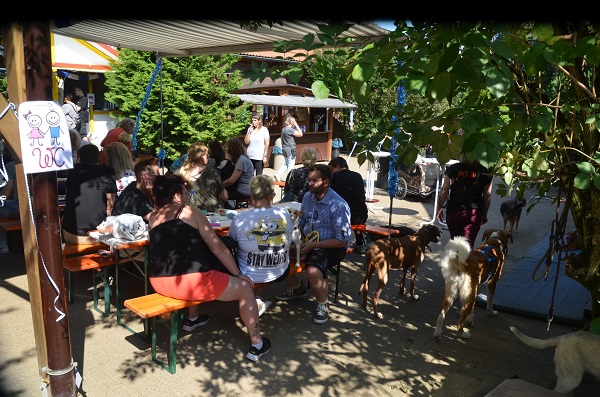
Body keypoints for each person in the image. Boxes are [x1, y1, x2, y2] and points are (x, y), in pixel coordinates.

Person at [148, 174, 271, 361]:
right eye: (185, 192)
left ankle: (193, 319)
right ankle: (257, 344)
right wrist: (239, 274)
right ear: (176, 196)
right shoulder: (189, 211)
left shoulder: (153, 218)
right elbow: (218, 247)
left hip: (159, 281)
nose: (188, 195)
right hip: (190, 282)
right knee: (245, 289)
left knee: (195, 264)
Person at [275, 164, 351, 324]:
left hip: (331, 246)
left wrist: (312, 246)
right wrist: (298, 239)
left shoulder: (339, 205)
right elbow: (302, 222)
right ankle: (298, 288)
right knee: (276, 254)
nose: (309, 184)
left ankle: (323, 304)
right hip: (309, 241)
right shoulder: (308, 197)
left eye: (314, 181)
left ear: (326, 182)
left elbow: (342, 240)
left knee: (313, 270)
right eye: (309, 180)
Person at [227, 174, 293, 316]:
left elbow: (230, 242)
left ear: (251, 195)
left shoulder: (240, 218)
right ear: (271, 194)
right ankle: (257, 297)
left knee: (229, 254)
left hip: (249, 274)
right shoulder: (284, 214)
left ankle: (255, 298)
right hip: (280, 270)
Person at [61, 144, 117, 245]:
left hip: (71, 234)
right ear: (98, 157)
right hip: (99, 234)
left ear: (79, 157)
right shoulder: (107, 171)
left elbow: (67, 194)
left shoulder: (73, 171)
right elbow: (111, 203)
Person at [436, 152, 493, 248]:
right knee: (467, 248)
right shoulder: (485, 171)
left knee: (455, 245)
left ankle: (454, 262)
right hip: (473, 213)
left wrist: (439, 208)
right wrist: (484, 213)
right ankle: (464, 262)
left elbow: (444, 191)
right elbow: (487, 195)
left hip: (453, 212)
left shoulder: (453, 169)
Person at [328, 156, 369, 253]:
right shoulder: (358, 176)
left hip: (343, 217)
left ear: (337, 166)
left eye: (331, 169)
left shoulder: (334, 177)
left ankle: (338, 243)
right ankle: (359, 243)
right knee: (355, 212)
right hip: (360, 216)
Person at [176, 142, 228, 212]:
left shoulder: (180, 173)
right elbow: (225, 197)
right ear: (202, 156)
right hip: (215, 212)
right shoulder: (211, 171)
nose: (208, 156)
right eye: (207, 154)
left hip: (193, 214)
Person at [112, 157, 159, 222]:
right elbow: (155, 220)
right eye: (156, 176)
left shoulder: (142, 190)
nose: (159, 179)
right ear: (145, 177)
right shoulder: (133, 197)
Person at [223, 137, 254, 205]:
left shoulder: (241, 160)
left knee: (221, 195)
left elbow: (232, 181)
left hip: (244, 191)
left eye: (228, 148)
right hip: (243, 188)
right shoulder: (242, 158)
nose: (226, 150)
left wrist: (220, 185)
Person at [274, 115, 303, 182]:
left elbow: (281, 138)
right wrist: (296, 125)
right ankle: (290, 179)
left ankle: (278, 174)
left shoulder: (283, 129)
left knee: (287, 163)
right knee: (291, 165)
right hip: (290, 148)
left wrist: (283, 146)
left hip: (284, 148)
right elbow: (300, 134)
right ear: (292, 122)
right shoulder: (290, 130)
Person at [0, 152, 18, 254]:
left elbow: (6, 194)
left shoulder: (11, 166)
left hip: (20, 207)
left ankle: (2, 243)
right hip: (37, 206)